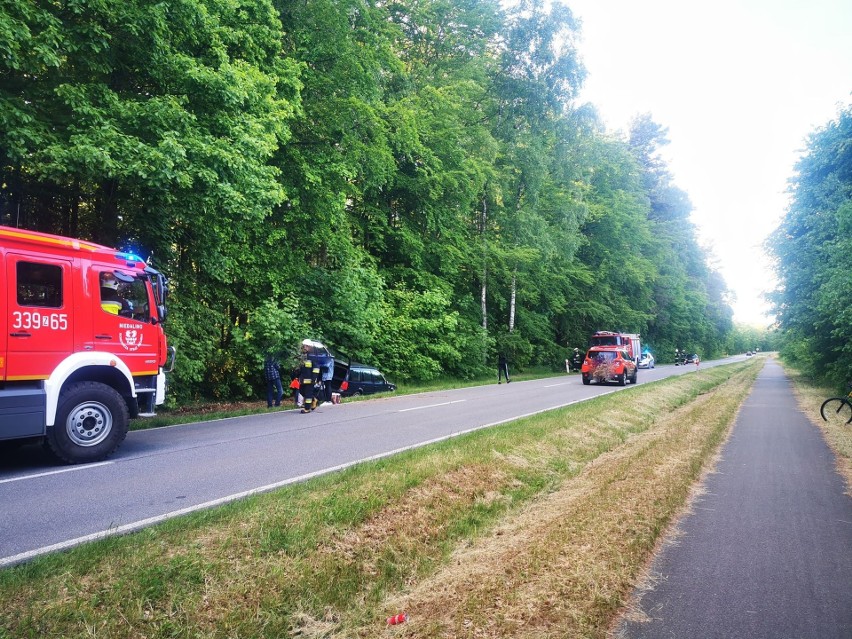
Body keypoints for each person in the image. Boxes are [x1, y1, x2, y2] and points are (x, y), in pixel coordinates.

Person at [298, 343, 321, 413]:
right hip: (303, 378)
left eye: (306, 346)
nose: (304, 347)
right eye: (304, 346)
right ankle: (314, 400)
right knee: (302, 391)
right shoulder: (304, 356)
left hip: (310, 379)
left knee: (308, 393)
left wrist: (314, 379)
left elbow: (316, 368)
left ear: (309, 347)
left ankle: (307, 409)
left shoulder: (313, 356)